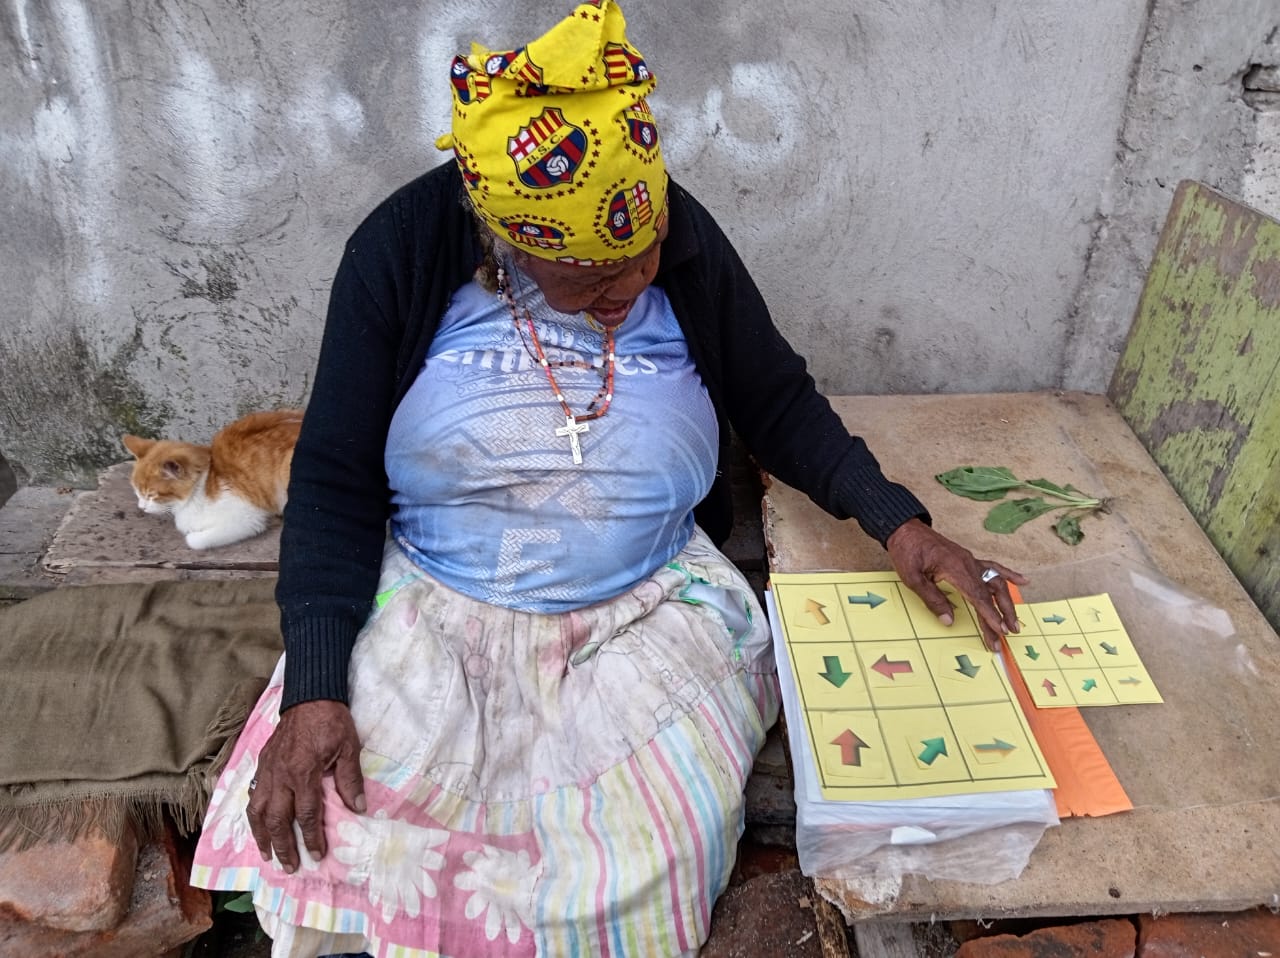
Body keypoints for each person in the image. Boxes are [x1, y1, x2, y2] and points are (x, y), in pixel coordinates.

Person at [190, 3, 1025, 955]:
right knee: (345, 831)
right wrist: (314, 686)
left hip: (645, 611)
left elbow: (778, 402)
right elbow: (335, 481)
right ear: (513, 242)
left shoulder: (672, 231)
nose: (630, 286)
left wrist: (898, 524)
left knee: (635, 856)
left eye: (645, 256)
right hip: (434, 602)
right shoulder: (400, 248)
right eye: (591, 279)